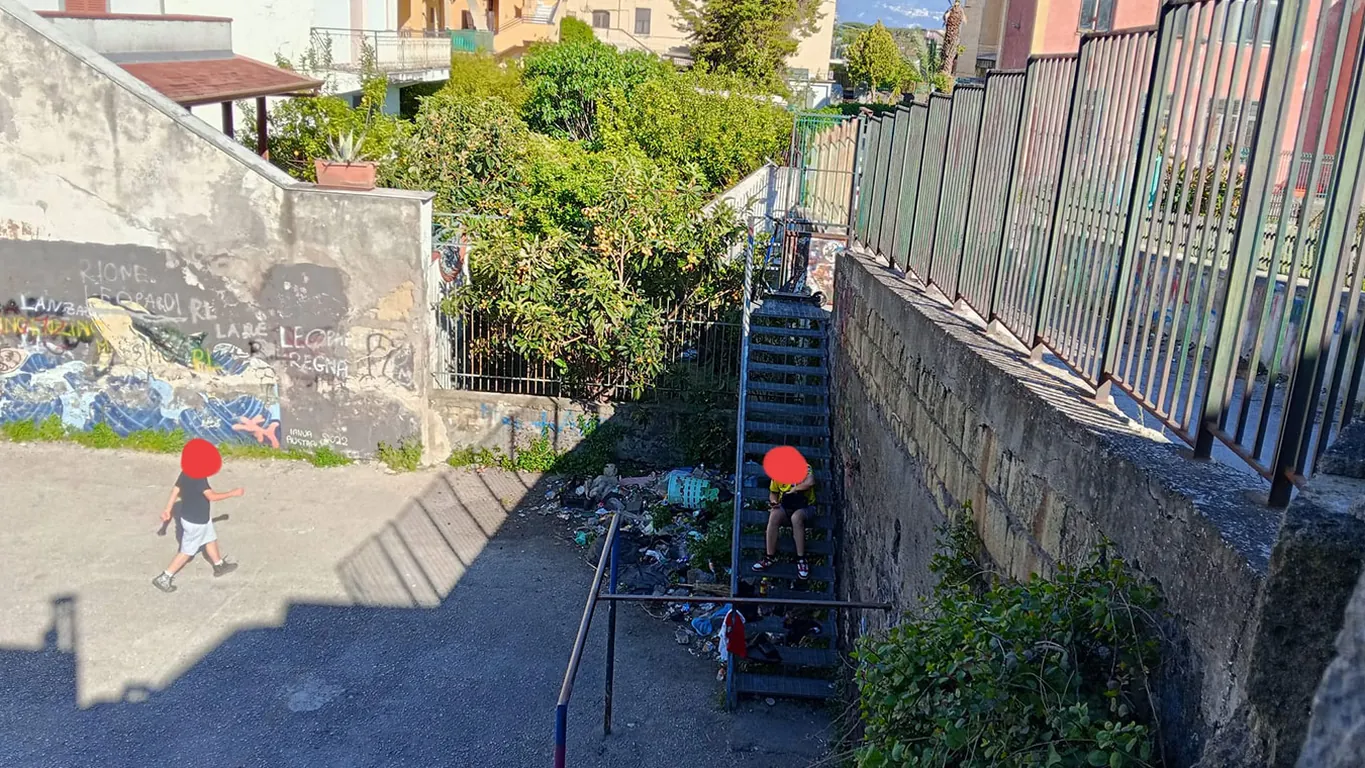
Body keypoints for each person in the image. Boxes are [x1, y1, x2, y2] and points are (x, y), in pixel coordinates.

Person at [152, 439, 241, 593]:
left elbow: (175, 490)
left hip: (194, 518)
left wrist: (168, 509)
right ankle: (165, 577)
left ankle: (219, 565)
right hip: (196, 522)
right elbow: (211, 496)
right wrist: (232, 493)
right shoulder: (200, 479)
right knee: (187, 552)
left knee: (210, 539)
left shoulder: (186, 471)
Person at [752, 447, 817, 580]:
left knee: (796, 518)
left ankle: (801, 559)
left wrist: (794, 490)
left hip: (806, 506)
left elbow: (810, 482)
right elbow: (773, 492)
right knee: (774, 515)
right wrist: (773, 501)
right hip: (786, 505)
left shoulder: (805, 467)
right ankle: (769, 557)